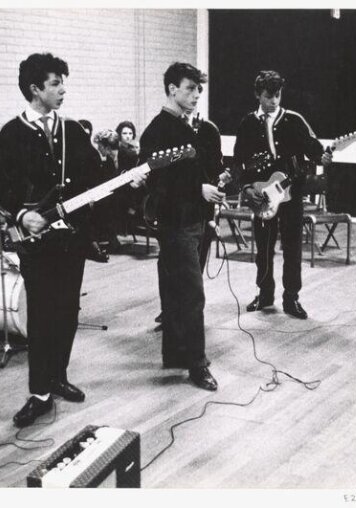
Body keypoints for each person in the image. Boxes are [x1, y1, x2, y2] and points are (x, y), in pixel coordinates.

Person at [0, 53, 141, 428]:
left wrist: (126, 182)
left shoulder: (72, 131)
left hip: (72, 241)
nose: (62, 89)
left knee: (68, 312)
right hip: (35, 242)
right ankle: (39, 392)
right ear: (35, 89)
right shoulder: (12, 133)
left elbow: (93, 183)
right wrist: (22, 216)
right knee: (41, 315)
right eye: (55, 83)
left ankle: (58, 376)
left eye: (62, 82)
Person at [137, 62, 223, 391]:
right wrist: (196, 189)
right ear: (172, 89)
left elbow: (201, 173)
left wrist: (213, 190)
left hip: (197, 220)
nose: (196, 94)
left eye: (198, 89)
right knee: (191, 294)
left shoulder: (195, 129)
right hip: (175, 223)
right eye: (190, 88)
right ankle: (197, 364)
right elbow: (155, 184)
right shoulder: (158, 130)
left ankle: (177, 355)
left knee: (176, 291)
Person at [233, 70, 333, 319]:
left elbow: (316, 151)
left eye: (278, 95)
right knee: (263, 249)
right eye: (269, 96)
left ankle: (292, 298)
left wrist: (325, 157)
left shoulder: (294, 120)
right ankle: (265, 294)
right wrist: (246, 189)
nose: (274, 101)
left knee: (292, 249)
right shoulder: (247, 124)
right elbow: (239, 162)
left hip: (292, 196)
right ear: (258, 94)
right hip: (262, 197)